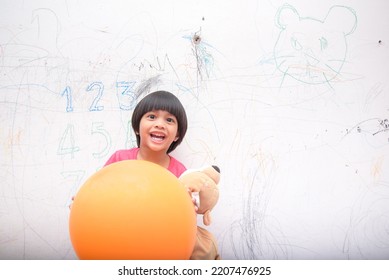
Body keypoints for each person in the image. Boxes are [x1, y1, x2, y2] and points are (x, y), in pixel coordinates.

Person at [104, 90, 188, 177]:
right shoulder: (119, 159)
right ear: (137, 127)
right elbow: (97, 187)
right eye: (152, 117)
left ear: (177, 135)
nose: (160, 125)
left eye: (169, 120)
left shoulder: (181, 174)